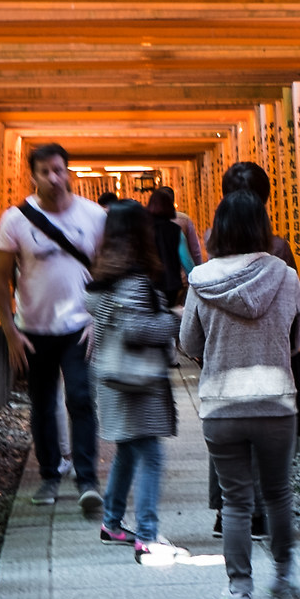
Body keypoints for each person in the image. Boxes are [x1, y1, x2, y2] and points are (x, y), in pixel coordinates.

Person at [179, 191, 300, 599]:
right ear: (261, 227)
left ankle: (239, 591)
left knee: (236, 500)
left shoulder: (201, 279)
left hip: (221, 404)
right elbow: (296, 341)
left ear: (218, 229)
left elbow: (188, 342)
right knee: (278, 493)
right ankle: (284, 573)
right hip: (275, 400)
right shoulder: (286, 276)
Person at [0, 142, 108, 515]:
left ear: (68, 171)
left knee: (81, 398)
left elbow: (107, 271)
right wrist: (10, 331)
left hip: (79, 325)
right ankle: (49, 474)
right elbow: (0, 280)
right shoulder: (16, 219)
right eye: (45, 172)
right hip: (34, 328)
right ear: (33, 175)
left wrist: (100, 318)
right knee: (41, 405)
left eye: (59, 170)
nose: (54, 178)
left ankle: (87, 478)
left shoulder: (93, 216)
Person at [85, 200, 179, 555]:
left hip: (112, 378)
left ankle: (111, 523)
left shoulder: (103, 281)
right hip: (139, 383)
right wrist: (175, 319)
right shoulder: (136, 281)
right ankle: (148, 535)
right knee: (151, 454)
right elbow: (137, 328)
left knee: (127, 449)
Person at [145, 185, 197, 308]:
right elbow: (186, 259)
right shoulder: (175, 230)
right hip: (171, 284)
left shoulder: (143, 230)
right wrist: (196, 279)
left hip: (148, 285)